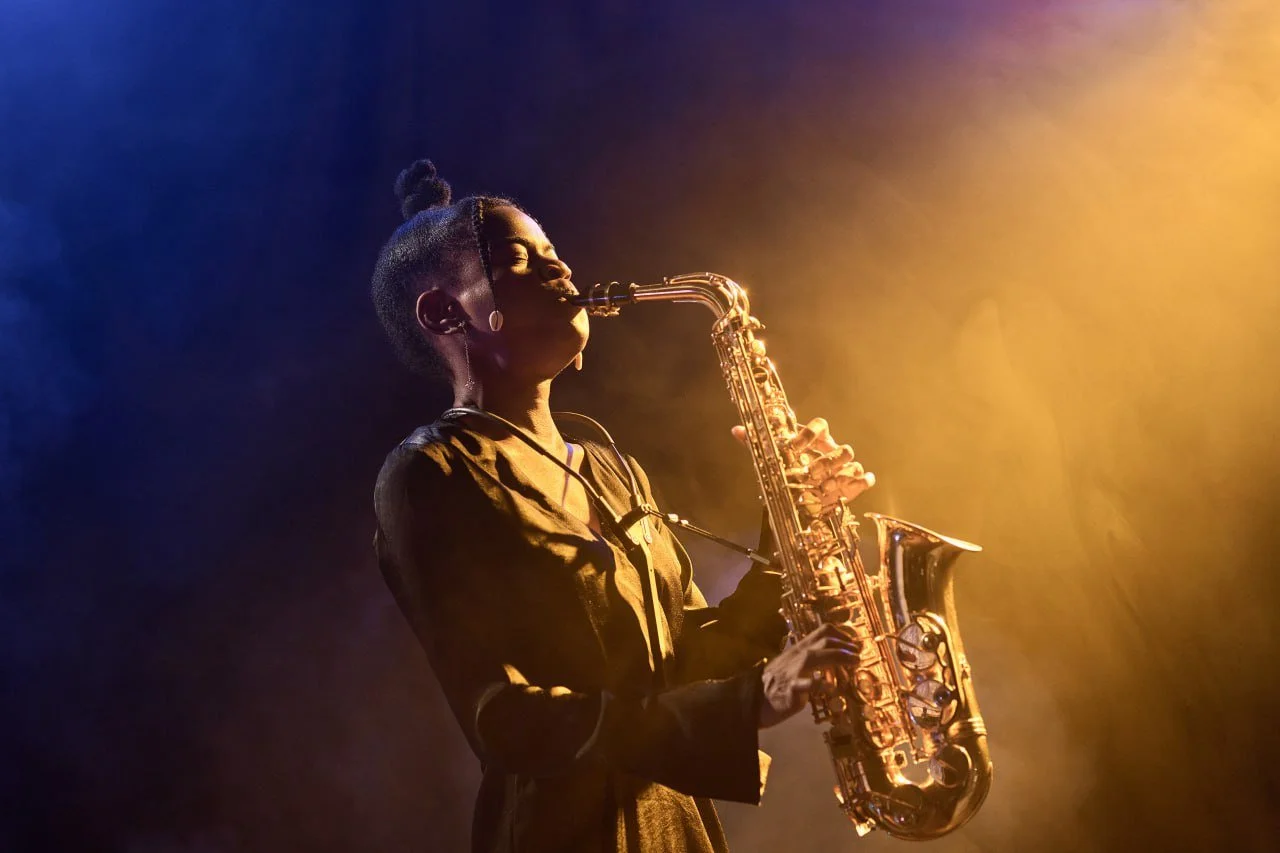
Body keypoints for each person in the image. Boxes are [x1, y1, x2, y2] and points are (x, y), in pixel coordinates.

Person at [370, 159, 873, 852]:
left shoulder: (612, 469)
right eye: (522, 259)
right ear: (443, 311)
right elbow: (502, 717)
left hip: (678, 826)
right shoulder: (431, 471)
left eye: (555, 254)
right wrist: (752, 702)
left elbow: (694, 659)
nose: (562, 272)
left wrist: (790, 526)